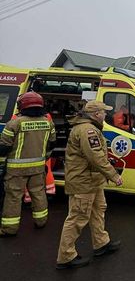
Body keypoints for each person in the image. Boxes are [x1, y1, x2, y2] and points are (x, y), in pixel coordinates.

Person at [56, 100, 123, 270]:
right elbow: (96, 157)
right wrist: (113, 175)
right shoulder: (88, 130)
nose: (106, 114)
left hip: (92, 180)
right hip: (83, 181)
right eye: (104, 112)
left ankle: (101, 243)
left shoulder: (89, 128)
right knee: (78, 217)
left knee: (98, 211)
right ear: (96, 114)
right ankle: (66, 256)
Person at [0, 92, 56, 236]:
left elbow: (4, 147)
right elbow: (51, 144)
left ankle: (9, 229)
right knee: (38, 194)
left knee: (13, 197)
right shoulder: (48, 122)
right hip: (38, 167)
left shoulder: (14, 123)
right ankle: (41, 221)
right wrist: (44, 159)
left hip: (15, 170)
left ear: (22, 106)